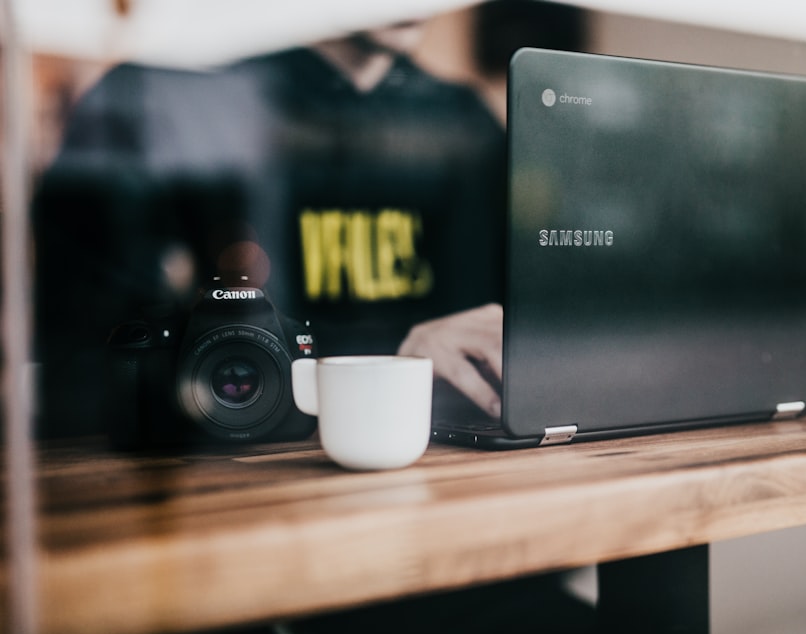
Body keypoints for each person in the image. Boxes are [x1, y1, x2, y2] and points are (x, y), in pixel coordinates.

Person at [32, 21, 506, 438]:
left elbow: (519, 329)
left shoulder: (468, 125)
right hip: (226, 471)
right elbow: (80, 360)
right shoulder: (176, 100)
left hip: (423, 454)